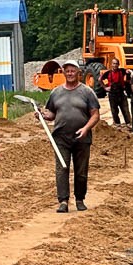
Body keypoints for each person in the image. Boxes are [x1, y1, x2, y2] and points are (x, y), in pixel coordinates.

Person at [43, 58, 100, 213]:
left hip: (82, 137)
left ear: (78, 73)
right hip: (61, 137)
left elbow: (95, 115)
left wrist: (86, 128)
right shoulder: (56, 92)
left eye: (73, 70)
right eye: (67, 71)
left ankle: (80, 199)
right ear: (64, 73)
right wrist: (42, 115)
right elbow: (52, 114)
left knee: (81, 170)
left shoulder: (87, 92)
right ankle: (63, 201)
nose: (70, 73)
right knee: (62, 168)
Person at [103, 57, 130, 128]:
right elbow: (100, 79)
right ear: (111, 64)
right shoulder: (108, 73)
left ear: (118, 64)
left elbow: (128, 72)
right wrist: (105, 87)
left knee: (125, 109)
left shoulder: (122, 71)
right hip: (112, 94)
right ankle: (117, 124)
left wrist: (128, 73)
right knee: (114, 110)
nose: (115, 65)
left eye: (116, 64)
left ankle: (128, 123)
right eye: (114, 64)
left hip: (121, 93)